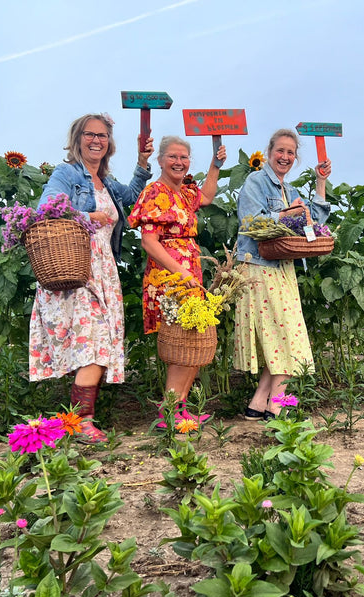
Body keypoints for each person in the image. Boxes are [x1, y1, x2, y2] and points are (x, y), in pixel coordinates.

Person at [29, 113, 154, 443]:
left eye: (103, 135)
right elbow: (46, 208)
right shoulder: (67, 173)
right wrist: (87, 217)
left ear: (110, 143)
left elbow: (132, 199)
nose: (96, 140)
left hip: (104, 271)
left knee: (100, 343)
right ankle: (80, 422)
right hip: (78, 268)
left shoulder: (107, 182)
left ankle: (76, 422)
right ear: (77, 138)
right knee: (95, 342)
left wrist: (142, 163)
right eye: (90, 134)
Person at [128, 136, 226, 427]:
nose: (179, 162)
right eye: (173, 156)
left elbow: (206, 197)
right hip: (169, 276)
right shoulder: (154, 191)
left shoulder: (184, 192)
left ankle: (180, 410)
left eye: (184, 157)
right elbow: (149, 242)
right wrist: (179, 271)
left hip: (189, 273)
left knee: (193, 340)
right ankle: (168, 414)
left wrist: (215, 165)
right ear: (160, 160)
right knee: (179, 344)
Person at [234, 128, 332, 419]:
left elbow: (313, 219)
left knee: (281, 335)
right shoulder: (255, 181)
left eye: (291, 153)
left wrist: (320, 183)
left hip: (283, 268)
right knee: (289, 336)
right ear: (269, 151)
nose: (285, 157)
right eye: (281, 151)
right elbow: (250, 221)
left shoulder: (288, 190)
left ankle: (258, 403)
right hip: (258, 267)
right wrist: (288, 214)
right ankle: (278, 405)